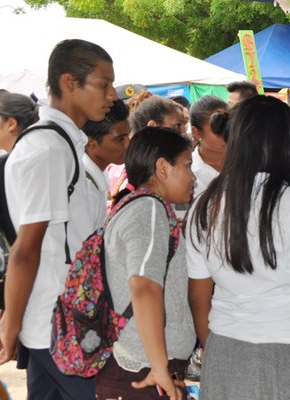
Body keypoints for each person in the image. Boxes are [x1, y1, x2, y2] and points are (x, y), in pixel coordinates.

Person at [187, 95, 290, 400]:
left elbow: (198, 296)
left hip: (224, 349)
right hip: (288, 352)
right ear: (282, 144)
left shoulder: (205, 204)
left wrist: (213, 348)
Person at [0, 39, 117, 399]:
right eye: (103, 83)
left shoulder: (63, 144)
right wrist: (11, 327)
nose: (111, 95)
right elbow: (25, 249)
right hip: (58, 324)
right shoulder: (47, 149)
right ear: (68, 82)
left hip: (61, 317)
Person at [95, 127, 196, 400]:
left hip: (143, 367)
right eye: (187, 165)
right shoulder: (148, 209)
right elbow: (144, 286)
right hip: (142, 370)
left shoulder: (139, 206)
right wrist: (160, 367)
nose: (193, 176)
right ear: (163, 168)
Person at [82, 98, 130, 226]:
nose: (127, 144)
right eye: (120, 139)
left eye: (128, 136)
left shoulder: (99, 175)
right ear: (91, 142)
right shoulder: (83, 186)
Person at [189, 95, 228, 198]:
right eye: (218, 128)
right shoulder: (187, 171)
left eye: (228, 126)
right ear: (196, 132)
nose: (226, 135)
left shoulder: (245, 164)